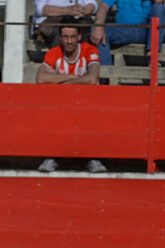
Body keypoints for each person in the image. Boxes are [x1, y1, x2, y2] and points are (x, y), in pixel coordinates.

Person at [36, 16, 107, 174]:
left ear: (79, 37)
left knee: (90, 114)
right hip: (61, 104)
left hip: (87, 102)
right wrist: (71, 77)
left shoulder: (90, 50)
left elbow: (92, 78)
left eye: (73, 37)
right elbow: (41, 78)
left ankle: (92, 157)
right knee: (50, 110)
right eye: (65, 37)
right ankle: (51, 156)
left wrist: (64, 84)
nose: (69, 41)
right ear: (60, 37)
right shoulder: (54, 52)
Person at [90, 0, 165, 66]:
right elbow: (104, 6)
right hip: (124, 30)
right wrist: (99, 24)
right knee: (97, 29)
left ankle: (152, 55)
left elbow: (159, 2)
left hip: (146, 31)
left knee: (159, 7)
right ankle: (106, 73)